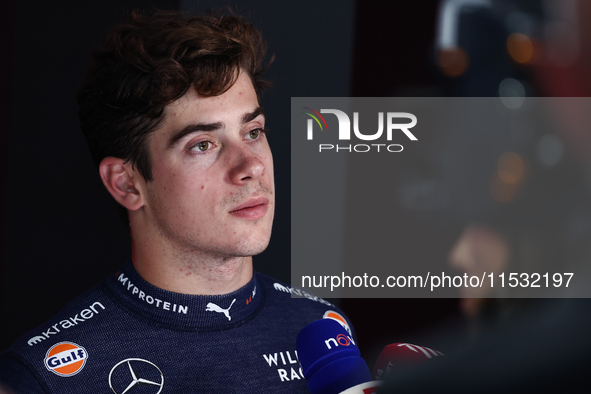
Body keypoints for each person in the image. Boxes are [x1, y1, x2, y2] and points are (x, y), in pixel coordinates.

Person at [0, 10, 352, 393]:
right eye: (203, 144)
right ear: (127, 184)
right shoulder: (45, 376)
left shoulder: (322, 326)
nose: (250, 166)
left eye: (252, 132)